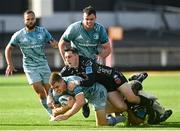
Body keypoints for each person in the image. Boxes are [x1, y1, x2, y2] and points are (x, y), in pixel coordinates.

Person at [5, 10, 58, 116]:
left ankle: (56, 110)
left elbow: (54, 43)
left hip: (43, 64)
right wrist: (10, 64)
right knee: (40, 91)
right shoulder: (19, 35)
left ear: (35, 19)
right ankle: (51, 112)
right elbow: (8, 49)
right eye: (28, 19)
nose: (30, 21)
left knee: (49, 91)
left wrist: (55, 45)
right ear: (24, 21)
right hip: (30, 67)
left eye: (32, 19)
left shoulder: (43, 31)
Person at [48, 72, 123, 126]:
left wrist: (66, 115)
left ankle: (122, 118)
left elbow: (80, 101)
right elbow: (55, 111)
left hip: (97, 93)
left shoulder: (72, 83)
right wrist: (64, 107)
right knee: (63, 99)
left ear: (62, 81)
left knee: (101, 124)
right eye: (54, 88)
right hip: (85, 96)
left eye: (57, 87)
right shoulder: (56, 91)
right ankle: (107, 113)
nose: (56, 90)